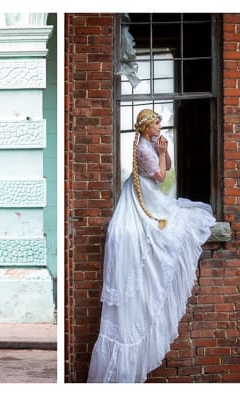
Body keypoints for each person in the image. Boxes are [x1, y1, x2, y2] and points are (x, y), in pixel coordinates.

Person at [87, 108, 216, 383]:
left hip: (149, 194)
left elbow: (166, 166)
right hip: (142, 197)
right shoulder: (144, 149)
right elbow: (160, 177)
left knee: (182, 217)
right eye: (157, 123)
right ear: (147, 128)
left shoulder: (151, 144)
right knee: (172, 226)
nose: (160, 126)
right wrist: (161, 152)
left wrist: (164, 151)